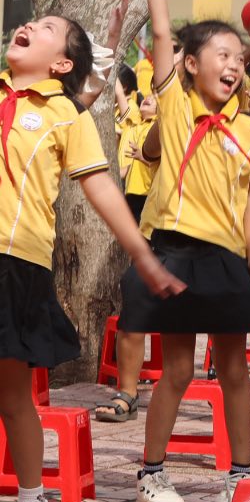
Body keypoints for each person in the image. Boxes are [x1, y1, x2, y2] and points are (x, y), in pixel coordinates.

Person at [1, 13, 184, 502]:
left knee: (13, 397)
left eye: (48, 27)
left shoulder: (64, 115)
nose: (30, 24)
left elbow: (102, 188)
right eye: (32, 19)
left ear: (61, 64)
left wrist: (141, 253)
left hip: (16, 262)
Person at [124, 0, 250, 502]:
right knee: (179, 369)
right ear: (191, 65)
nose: (234, 64)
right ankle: (152, 474)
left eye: (239, 57)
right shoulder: (177, 108)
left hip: (227, 257)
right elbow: (162, 32)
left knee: (236, 367)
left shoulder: (248, 127)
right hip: (175, 249)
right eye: (220, 54)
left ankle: (239, 478)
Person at [95, 69, 158, 425]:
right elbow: (154, 147)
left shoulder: (241, 124)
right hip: (155, 226)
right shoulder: (164, 119)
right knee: (134, 299)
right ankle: (128, 391)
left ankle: (236, 394)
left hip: (210, 234)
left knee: (219, 318)